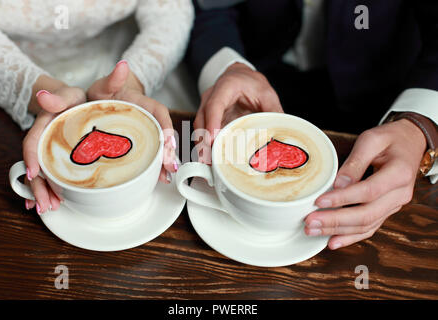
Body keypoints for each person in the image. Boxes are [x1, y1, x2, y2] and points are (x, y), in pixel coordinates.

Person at [185, 0, 438, 249]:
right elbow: (210, 8)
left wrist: (419, 123)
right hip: (255, 82)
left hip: (385, 100)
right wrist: (228, 66)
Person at [0, 0, 194, 214]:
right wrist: (37, 90)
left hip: (122, 64)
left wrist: (132, 82)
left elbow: (170, 9)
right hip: (15, 71)